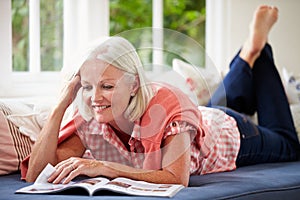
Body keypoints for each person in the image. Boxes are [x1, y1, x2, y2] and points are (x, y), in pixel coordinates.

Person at [24, 5, 300, 187]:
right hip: (199, 118)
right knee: (219, 104)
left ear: (133, 85)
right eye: (87, 86)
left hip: (231, 133)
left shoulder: (166, 103)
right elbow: (38, 175)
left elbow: (175, 179)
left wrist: (102, 167)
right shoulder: (91, 115)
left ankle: (258, 53)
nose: (95, 97)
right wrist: (61, 104)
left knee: (289, 144)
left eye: (107, 87)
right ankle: (246, 58)